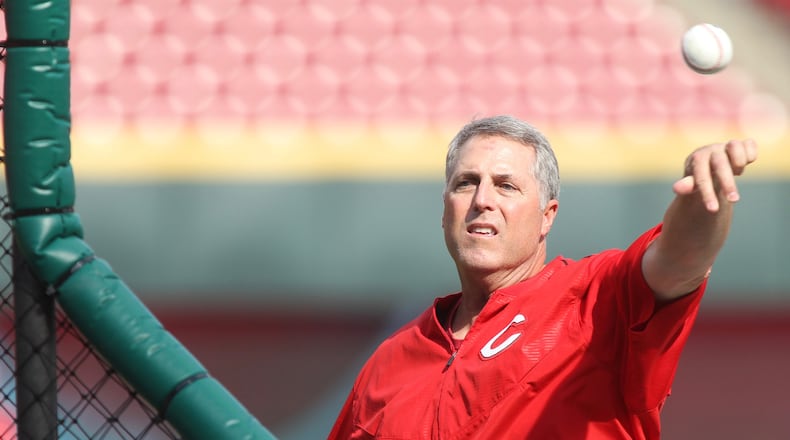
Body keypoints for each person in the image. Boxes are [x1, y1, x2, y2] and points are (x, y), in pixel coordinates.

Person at [328, 115, 758, 439]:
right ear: (445, 211)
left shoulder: (594, 299)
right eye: (466, 183)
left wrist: (706, 201)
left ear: (546, 217)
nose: (482, 200)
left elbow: (678, 261)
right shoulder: (390, 361)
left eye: (506, 186)